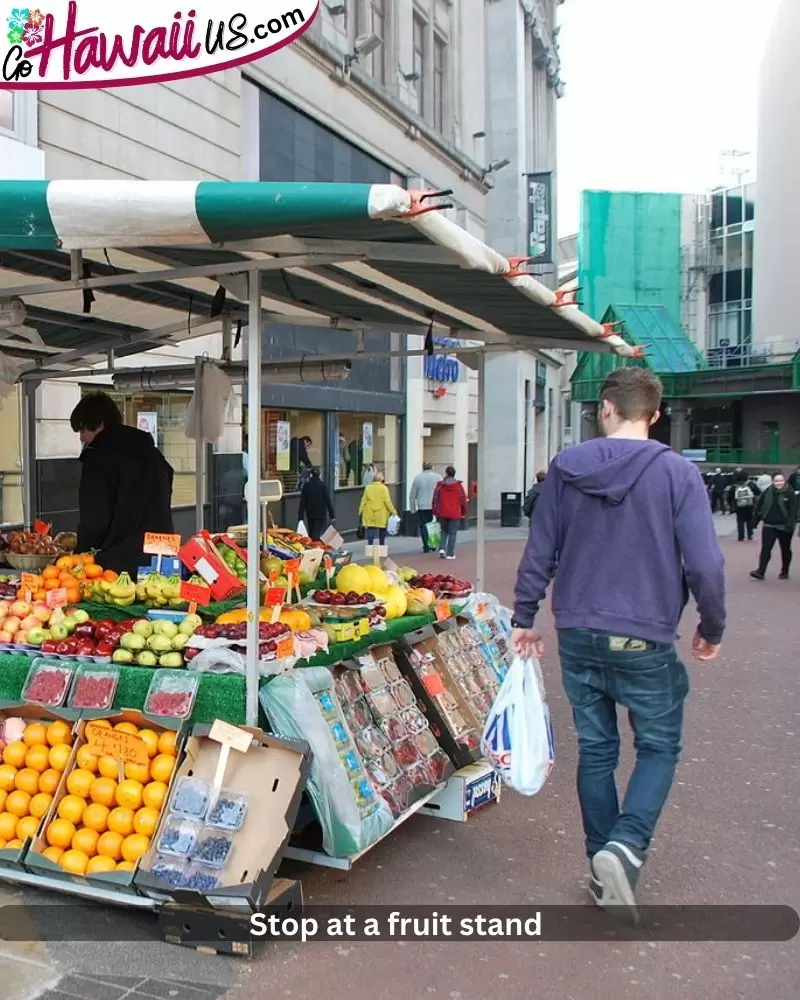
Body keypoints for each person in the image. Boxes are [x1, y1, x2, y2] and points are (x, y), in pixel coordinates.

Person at [510, 368, 725, 924]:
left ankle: (602, 866)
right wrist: (712, 625)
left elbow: (541, 547)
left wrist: (524, 615)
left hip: (578, 630)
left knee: (598, 750)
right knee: (658, 747)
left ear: (604, 408)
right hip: (646, 634)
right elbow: (705, 562)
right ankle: (625, 848)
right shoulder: (677, 473)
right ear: (653, 415)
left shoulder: (565, 469)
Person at [70, 393, 175, 576]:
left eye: (83, 430)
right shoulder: (152, 453)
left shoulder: (99, 458)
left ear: (99, 423)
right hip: (161, 553)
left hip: (118, 561)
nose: (81, 438)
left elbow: (95, 518)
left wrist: (82, 553)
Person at [750, 472, 798, 581]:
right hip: (769, 524)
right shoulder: (768, 492)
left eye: (781, 480)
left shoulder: (789, 492)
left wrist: (790, 523)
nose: (779, 483)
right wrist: (755, 521)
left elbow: (793, 510)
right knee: (766, 549)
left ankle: (785, 571)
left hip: (784, 525)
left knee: (785, 549)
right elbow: (760, 506)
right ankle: (761, 571)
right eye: (776, 481)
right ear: (772, 481)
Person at [432, 465, 468, 560]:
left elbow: (435, 499)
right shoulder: (458, 486)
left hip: (442, 512)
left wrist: (435, 511)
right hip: (455, 513)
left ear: (446, 473)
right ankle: (450, 553)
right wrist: (463, 511)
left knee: (443, 531)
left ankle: (442, 548)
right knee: (453, 533)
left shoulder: (440, 486)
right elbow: (463, 499)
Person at [409, 462, 442, 553]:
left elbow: (412, 495)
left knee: (423, 526)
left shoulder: (418, 478)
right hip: (434, 506)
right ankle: (433, 544)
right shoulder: (438, 477)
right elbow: (441, 493)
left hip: (422, 506)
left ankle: (426, 545)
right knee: (434, 525)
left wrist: (412, 508)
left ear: (423, 467)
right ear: (432, 467)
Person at [358, 471, 397, 546]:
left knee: (370, 529)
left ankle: (370, 545)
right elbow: (387, 502)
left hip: (369, 512)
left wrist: (360, 510)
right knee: (382, 530)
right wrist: (394, 512)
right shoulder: (384, 488)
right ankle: (381, 546)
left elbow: (363, 500)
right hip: (381, 513)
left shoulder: (368, 488)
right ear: (381, 479)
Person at [297, 468, 335, 541]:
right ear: (319, 475)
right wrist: (332, 515)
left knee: (311, 534)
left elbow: (302, 503)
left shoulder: (306, 486)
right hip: (321, 515)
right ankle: (316, 549)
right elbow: (328, 501)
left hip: (310, 515)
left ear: (311, 475)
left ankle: (314, 549)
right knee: (316, 535)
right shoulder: (323, 486)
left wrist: (300, 517)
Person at [731, 468, 756, 542]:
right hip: (749, 505)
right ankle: (750, 535)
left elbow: (730, 497)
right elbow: (757, 492)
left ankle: (741, 536)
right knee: (749, 519)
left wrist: (731, 505)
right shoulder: (751, 484)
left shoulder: (735, 486)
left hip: (739, 506)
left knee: (740, 520)